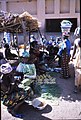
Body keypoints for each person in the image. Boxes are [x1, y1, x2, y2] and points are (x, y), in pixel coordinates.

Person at [71, 27, 81, 93]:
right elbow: (74, 50)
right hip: (78, 58)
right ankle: (77, 86)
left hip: (78, 58)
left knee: (77, 73)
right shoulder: (77, 41)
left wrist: (72, 57)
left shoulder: (77, 41)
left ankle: (77, 87)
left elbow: (74, 50)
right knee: (78, 73)